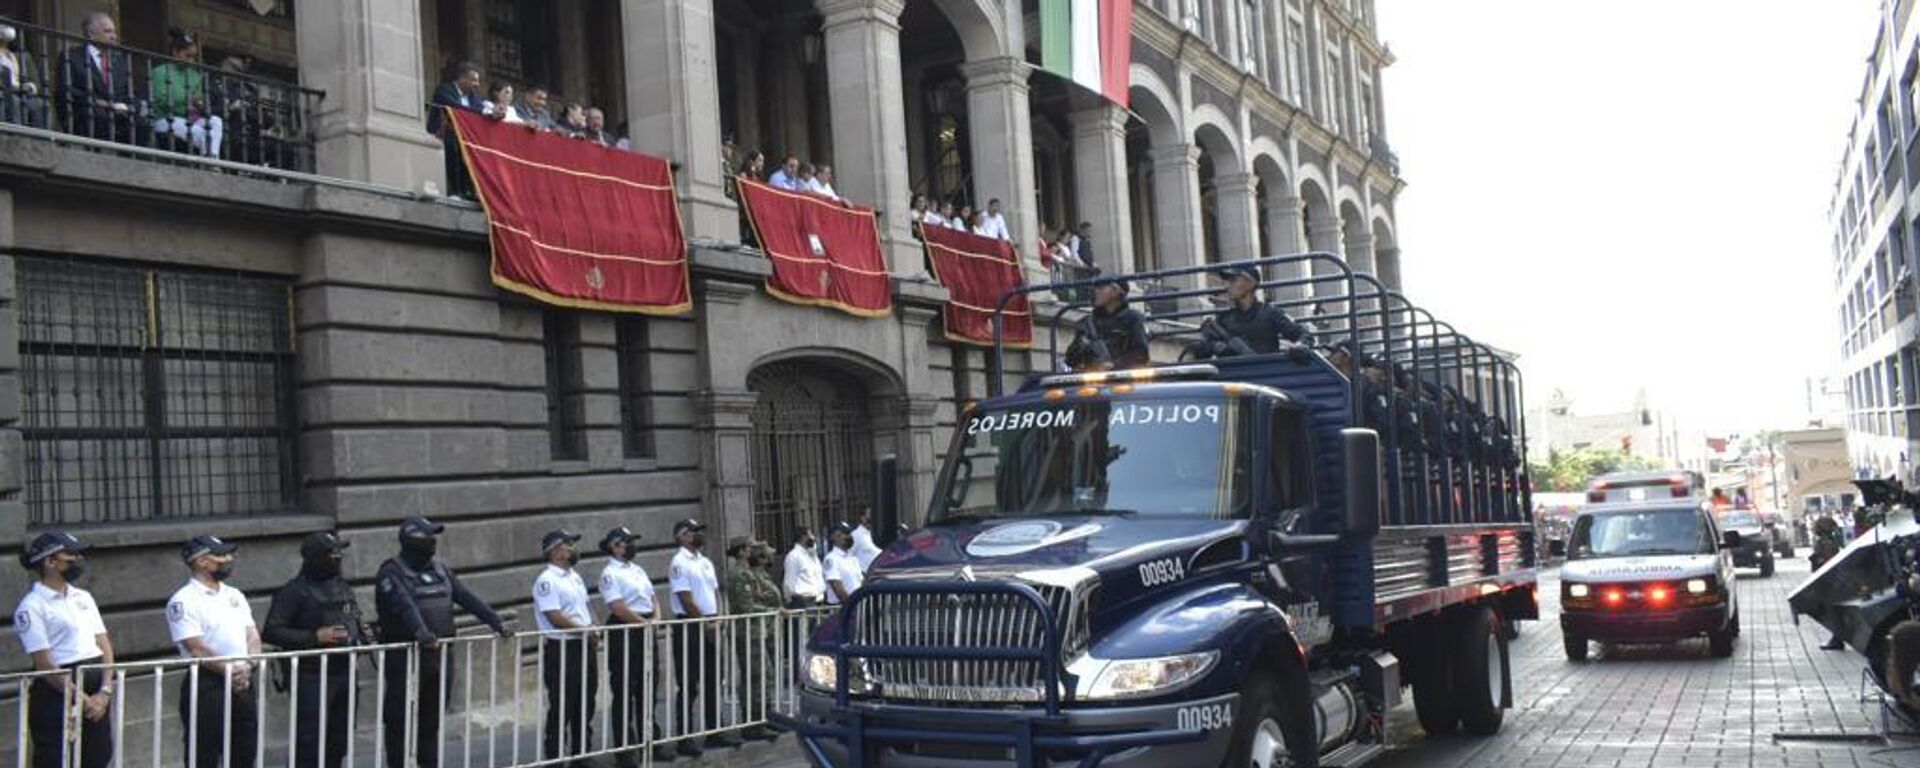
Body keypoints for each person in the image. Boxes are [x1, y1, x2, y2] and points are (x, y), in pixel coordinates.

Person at [374, 515, 510, 768]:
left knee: (431, 720)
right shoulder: (391, 572)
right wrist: (421, 632)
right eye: (428, 536)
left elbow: (465, 596)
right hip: (408, 657)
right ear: (412, 540)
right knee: (401, 721)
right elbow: (404, 605)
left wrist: (495, 620)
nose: (433, 542)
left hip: (439, 656)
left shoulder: (440, 570)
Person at [262, 532, 368, 768]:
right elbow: (272, 630)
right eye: (332, 554)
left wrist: (363, 636)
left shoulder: (341, 587)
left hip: (345, 672)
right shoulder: (294, 591)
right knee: (311, 741)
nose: (338, 558)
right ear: (316, 558)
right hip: (312, 675)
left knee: (339, 739)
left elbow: (355, 618)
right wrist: (314, 637)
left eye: (339, 553)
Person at [13, 531, 113, 768]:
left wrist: (105, 691)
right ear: (50, 562)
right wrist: (80, 698)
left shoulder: (84, 597)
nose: (77, 559)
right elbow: (44, 662)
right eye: (70, 555)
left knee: (98, 755)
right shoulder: (31, 607)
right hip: (58, 688)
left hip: (94, 681)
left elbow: (104, 643)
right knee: (55, 758)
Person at [167, 535, 260, 768]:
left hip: (243, 679)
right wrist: (229, 671)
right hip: (208, 682)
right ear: (201, 562)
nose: (228, 559)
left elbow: (252, 634)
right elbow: (196, 648)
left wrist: (248, 666)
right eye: (220, 555)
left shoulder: (234, 595)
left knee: (244, 748)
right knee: (204, 750)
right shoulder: (183, 600)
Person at [667, 518, 741, 755]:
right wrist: (705, 622)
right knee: (688, 683)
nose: (699, 535)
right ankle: (685, 737)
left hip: (710, 622)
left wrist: (717, 619)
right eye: (694, 531)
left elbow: (716, 592)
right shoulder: (679, 562)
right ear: (682, 536)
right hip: (690, 624)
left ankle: (714, 730)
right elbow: (685, 598)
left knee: (713, 679)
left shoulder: (706, 561)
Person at [596, 527, 669, 766]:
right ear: (615, 546)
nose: (632, 546)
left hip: (645, 627)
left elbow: (653, 597)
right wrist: (643, 624)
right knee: (625, 689)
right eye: (627, 542)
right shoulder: (610, 573)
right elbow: (617, 607)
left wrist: (656, 618)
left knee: (648, 687)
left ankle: (651, 742)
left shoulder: (637, 569)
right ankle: (625, 750)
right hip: (626, 629)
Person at [533, 530, 596, 765]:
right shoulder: (547, 580)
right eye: (568, 545)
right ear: (555, 551)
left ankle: (582, 755)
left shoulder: (574, 576)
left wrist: (594, 627)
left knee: (585, 701)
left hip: (583, 645)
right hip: (562, 648)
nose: (572, 549)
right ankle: (555, 758)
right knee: (562, 705)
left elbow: (586, 607)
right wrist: (584, 631)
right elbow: (554, 615)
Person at [726, 537, 783, 742]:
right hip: (747, 631)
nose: (751, 551)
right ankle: (752, 723)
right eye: (747, 548)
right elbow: (746, 607)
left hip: (756, 630)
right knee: (755, 676)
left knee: (763, 675)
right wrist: (774, 610)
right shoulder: (739, 574)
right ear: (741, 551)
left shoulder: (747, 572)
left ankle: (762, 718)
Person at [58, 11, 145, 143]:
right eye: (107, 31)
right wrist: (98, 103)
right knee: (98, 116)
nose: (114, 36)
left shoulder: (119, 61)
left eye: (114, 32)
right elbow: (66, 90)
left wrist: (129, 107)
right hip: (85, 113)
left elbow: (132, 92)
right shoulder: (72, 57)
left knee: (142, 123)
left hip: (118, 115)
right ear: (91, 34)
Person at [150, 29, 223, 158]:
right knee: (203, 134)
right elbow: (162, 100)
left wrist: (200, 105)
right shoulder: (160, 72)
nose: (191, 61)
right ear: (175, 52)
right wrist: (190, 100)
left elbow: (200, 100)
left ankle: (212, 160)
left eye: (193, 57)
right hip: (166, 119)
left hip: (190, 119)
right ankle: (209, 162)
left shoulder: (195, 75)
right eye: (187, 56)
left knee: (215, 121)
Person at [1206, 266, 1310, 355]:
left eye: (1233, 280)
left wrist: (1299, 346)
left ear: (1250, 283)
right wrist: (1215, 346)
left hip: (1267, 372)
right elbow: (1207, 347)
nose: (1228, 286)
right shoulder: (1224, 319)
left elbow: (1303, 334)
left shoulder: (1270, 312)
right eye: (1228, 281)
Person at [426, 61, 485, 198]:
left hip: (464, 136)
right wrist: (475, 112)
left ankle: (471, 191)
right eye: (473, 80)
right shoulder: (444, 90)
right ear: (462, 78)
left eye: (477, 81)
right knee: (454, 144)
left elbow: (480, 110)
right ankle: (455, 191)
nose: (477, 84)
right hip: (442, 133)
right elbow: (454, 107)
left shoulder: (474, 98)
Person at [1065, 278, 1150, 371]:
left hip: (1124, 377)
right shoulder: (1087, 322)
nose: (1096, 292)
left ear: (1115, 291)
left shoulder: (1133, 318)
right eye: (1096, 288)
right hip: (1092, 379)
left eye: (1101, 288)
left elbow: (1141, 354)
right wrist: (1080, 346)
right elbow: (1070, 360)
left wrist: (1114, 365)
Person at [0, 25, 47, 127]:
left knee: (39, 104)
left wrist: (28, 87)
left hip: (23, 93)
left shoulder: (22, 56)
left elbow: (36, 82)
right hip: (4, 94)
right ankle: (14, 137)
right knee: (14, 102)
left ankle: (40, 140)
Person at [782, 528, 825, 609]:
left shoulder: (811, 554)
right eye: (810, 535)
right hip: (803, 602)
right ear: (803, 537)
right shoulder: (794, 556)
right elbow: (789, 582)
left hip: (818, 601)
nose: (813, 538)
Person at [823, 522, 865, 605]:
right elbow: (838, 588)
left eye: (849, 533)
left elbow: (861, 582)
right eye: (845, 534)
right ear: (834, 537)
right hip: (843, 607)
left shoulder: (853, 558)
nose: (849, 537)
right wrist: (851, 605)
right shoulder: (831, 559)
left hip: (857, 605)